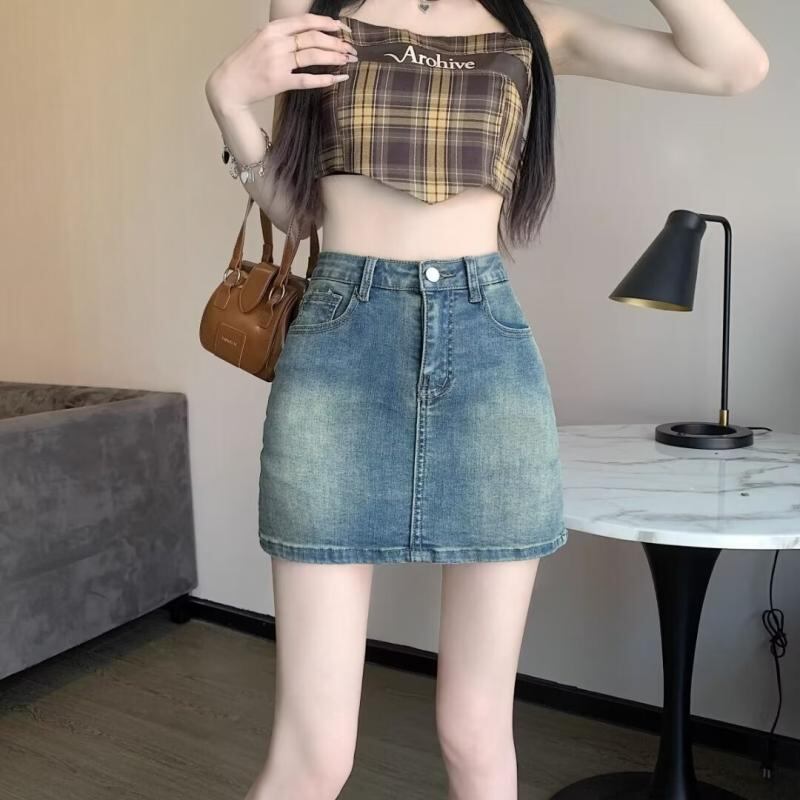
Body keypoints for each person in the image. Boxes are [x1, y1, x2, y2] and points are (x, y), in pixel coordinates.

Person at [204, 2, 768, 798]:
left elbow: (735, 66)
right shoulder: (316, 9)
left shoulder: (532, 27)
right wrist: (230, 100)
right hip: (338, 358)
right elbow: (296, 212)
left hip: (486, 359)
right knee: (315, 754)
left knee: (475, 735)